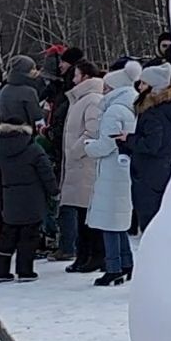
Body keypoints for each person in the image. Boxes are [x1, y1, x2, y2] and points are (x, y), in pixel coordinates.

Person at [85, 61, 141, 286]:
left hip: (111, 170)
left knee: (109, 221)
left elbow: (106, 144)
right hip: (125, 168)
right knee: (119, 220)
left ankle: (113, 267)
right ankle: (127, 263)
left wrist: (88, 146)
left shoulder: (113, 110)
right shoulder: (134, 104)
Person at [0, 115, 59, 282]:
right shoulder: (33, 149)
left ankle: (0, 271)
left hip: (10, 198)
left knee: (8, 235)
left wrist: (1, 202)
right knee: (29, 236)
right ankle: (25, 271)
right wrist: (54, 191)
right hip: (32, 199)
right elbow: (46, 173)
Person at [57, 58, 105, 272]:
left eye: (76, 75)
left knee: (88, 215)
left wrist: (75, 151)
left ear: (85, 76)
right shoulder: (79, 99)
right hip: (78, 165)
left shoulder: (92, 99)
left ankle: (95, 255)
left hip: (85, 164)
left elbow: (92, 131)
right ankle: (83, 255)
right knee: (80, 213)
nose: (73, 79)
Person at [124, 63, 171, 234]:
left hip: (149, 173)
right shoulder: (167, 110)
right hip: (160, 170)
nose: (139, 87)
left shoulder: (154, 112)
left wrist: (129, 139)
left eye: (143, 83)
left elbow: (152, 144)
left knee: (150, 220)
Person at [0, 53, 44, 128]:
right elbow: (36, 118)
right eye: (32, 69)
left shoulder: (3, 90)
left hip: (5, 134)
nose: (36, 72)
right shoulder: (29, 92)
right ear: (24, 71)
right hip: (26, 134)